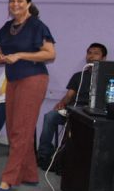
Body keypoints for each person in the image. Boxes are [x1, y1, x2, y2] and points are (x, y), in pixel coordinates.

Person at [0, 0, 55, 191]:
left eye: (20, 1)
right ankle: (29, 173)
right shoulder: (7, 27)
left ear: (28, 3)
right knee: (15, 129)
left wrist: (20, 55)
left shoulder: (37, 26)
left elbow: (50, 53)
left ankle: (9, 178)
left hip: (33, 78)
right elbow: (0, 53)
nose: (15, 4)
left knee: (21, 129)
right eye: (12, 1)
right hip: (14, 80)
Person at [37, 42, 107, 171]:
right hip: (72, 110)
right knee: (50, 117)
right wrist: (61, 103)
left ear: (103, 58)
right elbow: (69, 95)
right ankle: (44, 155)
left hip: (90, 114)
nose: (91, 56)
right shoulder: (78, 76)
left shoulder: (107, 78)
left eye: (96, 53)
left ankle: (71, 159)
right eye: (89, 53)